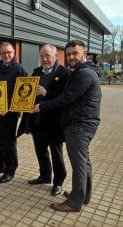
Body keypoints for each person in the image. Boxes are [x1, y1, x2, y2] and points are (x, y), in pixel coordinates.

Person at [32, 40, 101, 212]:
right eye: (68, 54)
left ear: (84, 54)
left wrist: (41, 106)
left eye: (75, 53)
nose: (71, 57)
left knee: (78, 164)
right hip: (79, 123)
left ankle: (74, 202)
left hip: (79, 125)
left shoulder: (84, 74)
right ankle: (84, 195)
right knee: (84, 162)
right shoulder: (80, 71)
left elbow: (66, 98)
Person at [19, 44, 70, 196]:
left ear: (56, 56)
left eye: (48, 55)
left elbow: (65, 97)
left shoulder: (64, 73)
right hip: (37, 120)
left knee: (56, 154)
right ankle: (45, 176)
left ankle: (58, 181)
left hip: (54, 123)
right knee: (40, 151)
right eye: (42, 56)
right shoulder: (36, 72)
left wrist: (47, 93)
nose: (45, 59)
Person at [0, 41, 27, 183]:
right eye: (3, 53)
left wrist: (8, 108)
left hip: (9, 113)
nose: (6, 55)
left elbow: (23, 94)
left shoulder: (18, 69)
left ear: (14, 53)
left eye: (9, 52)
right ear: (0, 54)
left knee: (8, 141)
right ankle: (0, 164)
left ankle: (10, 169)